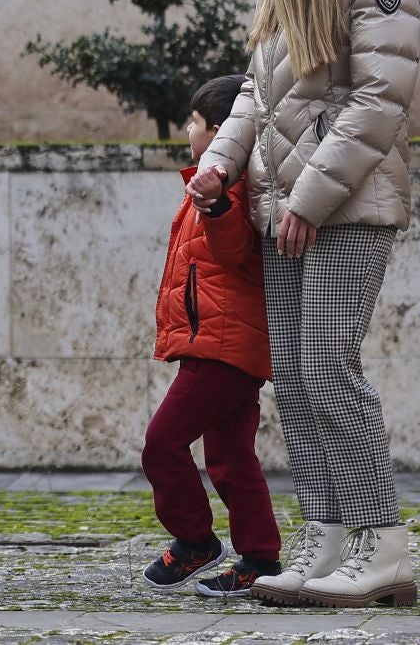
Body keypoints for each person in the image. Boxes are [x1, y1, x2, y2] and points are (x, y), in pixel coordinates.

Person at [188, 0, 420, 609]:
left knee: (329, 370)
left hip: (343, 208)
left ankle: (381, 546)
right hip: (281, 206)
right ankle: (326, 541)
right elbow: (257, 92)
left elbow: (378, 102)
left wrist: (310, 199)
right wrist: (220, 161)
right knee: (293, 377)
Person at [140, 74, 281, 598]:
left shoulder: (231, 187)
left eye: (194, 121)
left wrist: (217, 204)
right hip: (220, 344)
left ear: (218, 130)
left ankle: (196, 541)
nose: (187, 129)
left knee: (162, 444)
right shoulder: (207, 182)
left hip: (222, 348)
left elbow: (233, 251)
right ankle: (261, 557)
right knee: (230, 457)